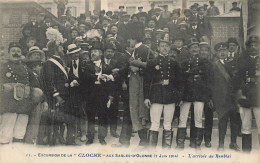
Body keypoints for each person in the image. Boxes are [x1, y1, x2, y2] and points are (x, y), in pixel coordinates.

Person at [0, 42, 43, 144]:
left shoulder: (26, 69)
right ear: (8, 53)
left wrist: (41, 97)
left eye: (18, 51)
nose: (16, 53)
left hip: (24, 105)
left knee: (20, 132)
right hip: (8, 105)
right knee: (6, 132)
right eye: (13, 51)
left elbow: (36, 86)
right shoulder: (2, 67)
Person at [144, 39, 182, 149]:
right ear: (158, 48)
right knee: (155, 123)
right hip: (156, 95)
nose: (164, 48)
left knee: (168, 123)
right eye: (162, 46)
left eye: (166, 46)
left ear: (169, 48)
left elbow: (179, 82)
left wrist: (178, 96)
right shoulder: (152, 62)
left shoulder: (175, 63)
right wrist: (146, 97)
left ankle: (166, 150)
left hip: (170, 95)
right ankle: (151, 150)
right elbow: (146, 82)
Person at [176, 38, 211, 150]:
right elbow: (181, 79)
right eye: (192, 48)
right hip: (186, 95)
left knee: (198, 119)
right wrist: (180, 96)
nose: (194, 49)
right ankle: (180, 143)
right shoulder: (184, 63)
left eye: (196, 47)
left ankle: (197, 144)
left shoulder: (205, 62)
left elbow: (207, 78)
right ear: (189, 50)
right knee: (183, 118)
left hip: (199, 95)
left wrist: (189, 74)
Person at [41, 40, 77, 145]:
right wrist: (56, 96)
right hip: (58, 96)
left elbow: (65, 76)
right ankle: (54, 141)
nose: (62, 49)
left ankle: (70, 140)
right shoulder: (49, 63)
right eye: (60, 47)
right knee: (56, 119)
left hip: (66, 94)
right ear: (55, 49)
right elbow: (49, 81)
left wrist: (73, 80)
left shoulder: (61, 61)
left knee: (68, 118)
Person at [82, 42, 116, 145]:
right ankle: (90, 137)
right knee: (91, 116)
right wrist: (97, 77)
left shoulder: (107, 67)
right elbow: (85, 77)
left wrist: (110, 96)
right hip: (90, 95)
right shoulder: (87, 66)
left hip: (103, 95)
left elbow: (111, 83)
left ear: (101, 53)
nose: (93, 53)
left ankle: (102, 137)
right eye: (92, 52)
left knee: (103, 116)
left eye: (95, 51)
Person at [209, 42, 240, 151]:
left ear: (228, 51)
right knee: (222, 122)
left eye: (224, 50)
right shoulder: (213, 66)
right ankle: (221, 144)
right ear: (217, 53)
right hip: (221, 99)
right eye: (220, 51)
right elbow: (210, 83)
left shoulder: (234, 64)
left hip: (233, 98)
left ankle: (233, 143)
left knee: (234, 122)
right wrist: (210, 98)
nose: (222, 53)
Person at [236, 35, 260, 152]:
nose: (253, 47)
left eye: (256, 45)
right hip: (245, 96)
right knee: (245, 126)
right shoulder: (242, 59)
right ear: (247, 47)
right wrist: (240, 93)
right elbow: (237, 78)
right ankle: (246, 154)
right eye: (251, 45)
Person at [127, 35, 151, 149]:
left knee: (140, 110)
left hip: (141, 83)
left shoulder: (144, 49)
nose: (129, 41)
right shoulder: (135, 50)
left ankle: (144, 141)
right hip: (134, 83)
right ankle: (143, 140)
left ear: (135, 38)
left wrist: (137, 65)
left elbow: (149, 65)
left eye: (130, 38)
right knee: (136, 110)